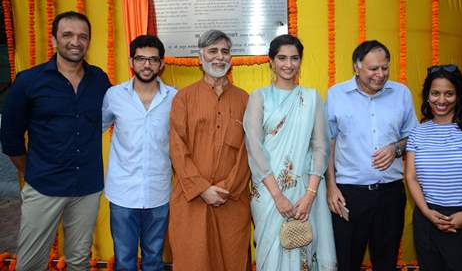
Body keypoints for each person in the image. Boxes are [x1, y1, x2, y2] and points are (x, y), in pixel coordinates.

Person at [0, 11, 111, 271]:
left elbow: (112, 117)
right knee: (30, 263)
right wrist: (32, 173)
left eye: (83, 36)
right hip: (44, 187)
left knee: (79, 261)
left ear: (89, 42)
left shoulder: (99, 80)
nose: (76, 41)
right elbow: (10, 137)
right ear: (54, 40)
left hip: (87, 186)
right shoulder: (29, 81)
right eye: (68, 35)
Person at [244, 34, 337, 270]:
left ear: (300, 61)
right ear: (271, 62)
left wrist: (310, 195)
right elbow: (254, 147)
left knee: (305, 249)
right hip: (269, 191)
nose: (288, 64)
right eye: (282, 58)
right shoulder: (259, 97)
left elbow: (320, 147)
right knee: (270, 251)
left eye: (294, 58)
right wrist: (278, 196)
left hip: (305, 191)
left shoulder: (311, 97)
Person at [325, 40, 418, 271]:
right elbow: (328, 143)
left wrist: (396, 148)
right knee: (347, 261)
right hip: (349, 194)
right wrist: (331, 187)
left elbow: (414, 138)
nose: (380, 74)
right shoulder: (336, 94)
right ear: (356, 67)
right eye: (373, 69)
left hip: (390, 194)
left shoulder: (401, 93)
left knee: (386, 262)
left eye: (385, 68)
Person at [168, 30, 251, 271]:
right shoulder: (183, 98)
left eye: (225, 51)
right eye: (212, 51)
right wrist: (202, 188)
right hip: (191, 198)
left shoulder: (244, 99)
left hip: (231, 200)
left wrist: (226, 188)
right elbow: (177, 147)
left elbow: (249, 150)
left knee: (232, 259)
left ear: (231, 58)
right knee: (194, 260)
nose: (219, 57)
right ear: (200, 57)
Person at [102, 35, 176, 270]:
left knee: (154, 258)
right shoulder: (114, 96)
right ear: (131, 61)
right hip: (123, 192)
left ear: (161, 64)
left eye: (153, 60)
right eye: (141, 59)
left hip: (159, 192)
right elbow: (95, 128)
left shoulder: (175, 98)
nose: (147, 65)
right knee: (124, 259)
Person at [405, 64, 462, 271]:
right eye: (435, 93)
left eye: (449, 93)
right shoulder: (418, 133)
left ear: (458, 95)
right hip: (426, 218)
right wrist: (427, 213)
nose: (441, 100)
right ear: (427, 95)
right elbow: (411, 177)